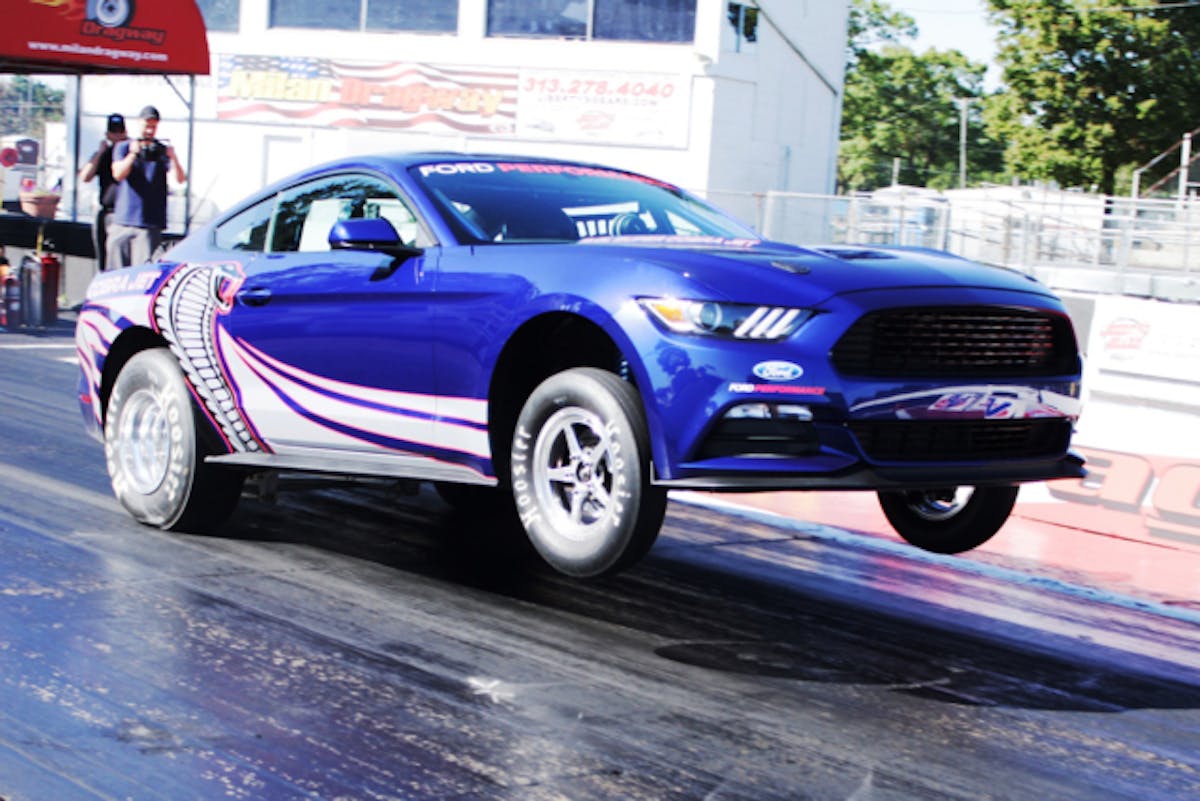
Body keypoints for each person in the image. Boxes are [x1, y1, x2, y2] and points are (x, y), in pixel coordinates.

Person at [107, 105, 187, 269]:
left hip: (149, 223)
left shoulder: (161, 150)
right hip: (123, 220)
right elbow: (118, 174)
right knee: (115, 271)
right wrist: (133, 154)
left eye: (154, 126)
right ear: (138, 123)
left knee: (142, 272)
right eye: (147, 125)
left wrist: (173, 157)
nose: (150, 130)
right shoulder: (124, 146)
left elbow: (180, 179)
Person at [78, 113, 127, 271]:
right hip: (106, 212)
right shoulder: (104, 155)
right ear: (108, 135)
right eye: (114, 132)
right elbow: (85, 176)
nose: (117, 135)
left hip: (124, 214)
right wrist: (100, 153)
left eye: (120, 132)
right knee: (104, 260)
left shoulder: (129, 155)